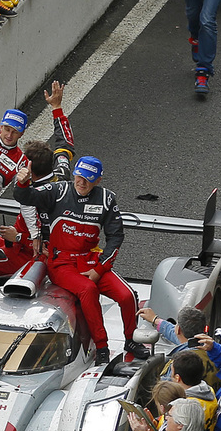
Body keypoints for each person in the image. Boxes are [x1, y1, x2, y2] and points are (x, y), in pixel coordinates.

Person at [14, 155, 142, 363]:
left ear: (98, 180)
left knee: (127, 295)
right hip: (61, 263)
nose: (81, 182)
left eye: (88, 179)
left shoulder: (107, 199)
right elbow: (26, 197)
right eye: (79, 176)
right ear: (74, 174)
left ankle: (131, 339)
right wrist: (22, 182)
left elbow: (116, 236)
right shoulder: (58, 191)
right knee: (88, 289)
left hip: (90, 260)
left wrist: (99, 270)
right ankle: (102, 347)